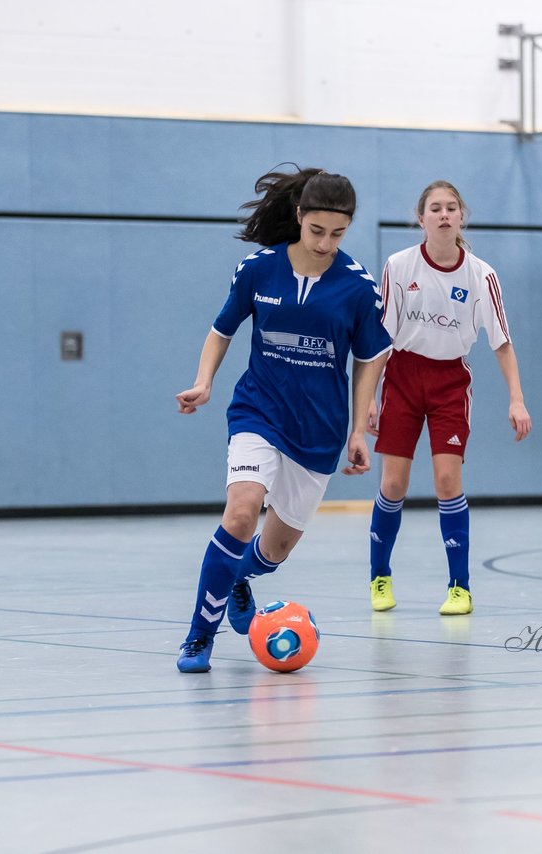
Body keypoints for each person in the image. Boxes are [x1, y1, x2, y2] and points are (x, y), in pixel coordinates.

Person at [174, 165, 393, 673]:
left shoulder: (357, 287)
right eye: (316, 230)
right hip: (259, 409)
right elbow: (221, 330)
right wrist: (205, 382)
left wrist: (358, 429)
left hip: (317, 430)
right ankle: (197, 637)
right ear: (298, 217)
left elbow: (370, 360)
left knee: (272, 552)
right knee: (241, 512)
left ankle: (237, 577)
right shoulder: (258, 269)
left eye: (337, 233)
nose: (325, 242)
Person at [366, 180, 531, 615]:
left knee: (447, 482)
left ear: (461, 217)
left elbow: (502, 342)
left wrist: (516, 399)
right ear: (421, 219)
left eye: (451, 207)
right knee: (393, 484)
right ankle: (379, 577)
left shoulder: (482, 275)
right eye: (434, 208)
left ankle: (460, 587)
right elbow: (380, 338)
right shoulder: (399, 266)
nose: (443, 214)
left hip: (449, 382)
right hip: (402, 376)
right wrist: (369, 397)